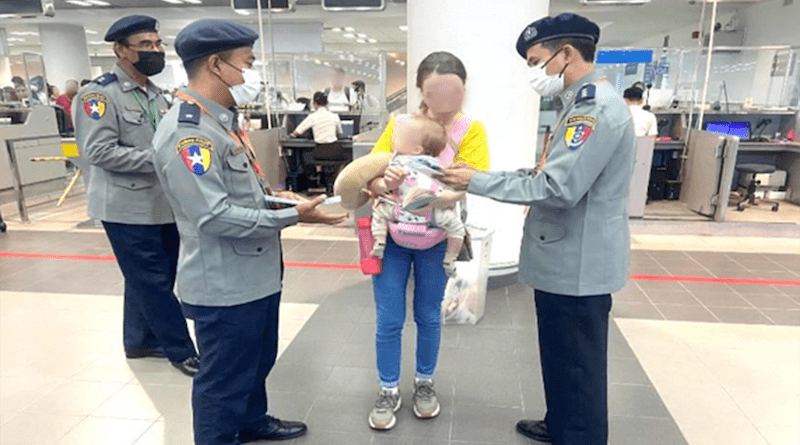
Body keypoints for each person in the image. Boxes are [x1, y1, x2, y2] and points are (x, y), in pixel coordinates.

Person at [441, 13, 636, 445]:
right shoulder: (576, 104)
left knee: (578, 363)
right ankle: (561, 421)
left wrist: (476, 179)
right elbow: (548, 170)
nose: (535, 72)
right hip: (565, 258)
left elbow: (557, 186)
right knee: (558, 354)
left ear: (567, 54)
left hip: (579, 263)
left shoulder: (596, 111)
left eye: (537, 60)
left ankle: (579, 434)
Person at [155, 19, 346, 445]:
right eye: (247, 63)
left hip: (254, 273)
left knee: (256, 360)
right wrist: (292, 218)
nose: (251, 74)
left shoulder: (221, 120)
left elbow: (244, 192)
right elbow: (215, 216)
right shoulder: (189, 132)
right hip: (223, 283)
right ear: (216, 64)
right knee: (223, 377)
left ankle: (251, 420)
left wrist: (284, 201)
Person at [365, 51, 489, 430]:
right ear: (421, 91)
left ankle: (424, 383)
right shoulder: (400, 124)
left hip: (437, 238)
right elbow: (370, 173)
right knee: (388, 317)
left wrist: (435, 197)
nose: (447, 103)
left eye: (455, 93)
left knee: (428, 314)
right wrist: (382, 185)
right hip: (393, 236)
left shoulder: (471, 129)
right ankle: (388, 389)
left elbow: (473, 181)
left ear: (464, 90)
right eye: (437, 93)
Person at [73, 15, 199, 377]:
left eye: (158, 44)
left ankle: (139, 339)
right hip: (125, 206)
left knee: (147, 278)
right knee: (153, 281)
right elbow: (97, 151)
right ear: (120, 50)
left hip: (162, 204)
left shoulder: (157, 94)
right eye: (145, 45)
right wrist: (160, 160)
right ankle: (180, 350)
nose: (155, 51)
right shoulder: (99, 95)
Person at [370, 115, 466, 277]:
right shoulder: (437, 164)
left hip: (399, 210)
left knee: (379, 213)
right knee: (456, 228)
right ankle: (451, 257)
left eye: (399, 137)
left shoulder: (396, 161)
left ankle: (379, 241)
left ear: (416, 149)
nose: (394, 138)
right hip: (433, 214)